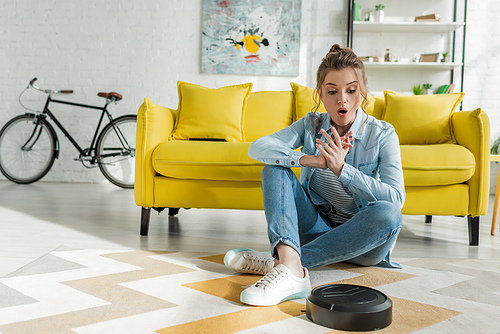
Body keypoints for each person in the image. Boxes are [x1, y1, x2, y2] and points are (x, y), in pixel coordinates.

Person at [224, 44, 405, 307]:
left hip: (365, 240)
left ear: (362, 91)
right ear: (320, 93)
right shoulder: (311, 124)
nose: (342, 99)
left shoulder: (383, 133)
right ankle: (292, 268)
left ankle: (285, 262)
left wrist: (343, 170)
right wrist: (311, 160)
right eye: (332, 91)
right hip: (315, 228)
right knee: (274, 168)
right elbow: (258, 147)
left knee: (389, 214)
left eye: (351, 90)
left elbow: (396, 199)